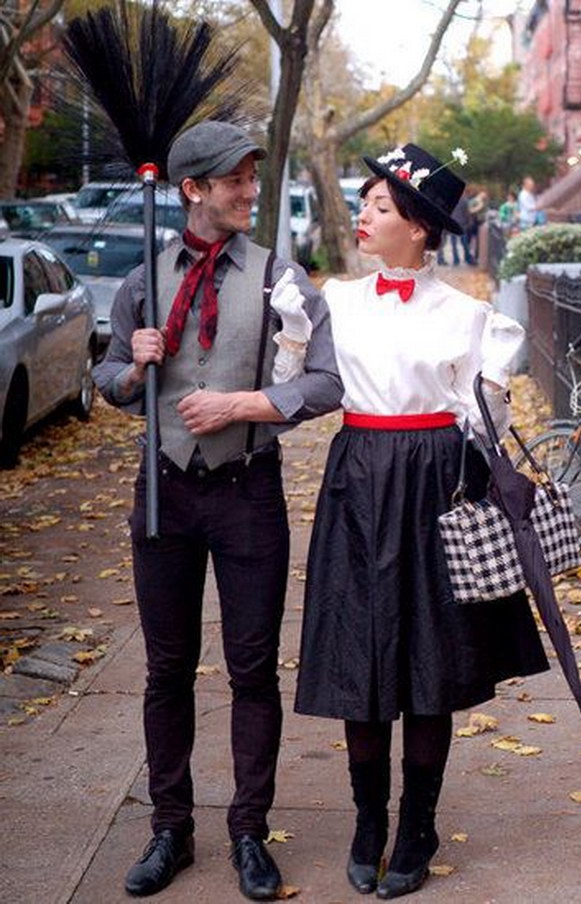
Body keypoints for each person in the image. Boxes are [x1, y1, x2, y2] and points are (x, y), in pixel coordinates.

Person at [93, 119, 343, 901]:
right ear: (192, 189)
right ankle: (171, 828)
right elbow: (105, 380)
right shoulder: (145, 278)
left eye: (251, 176)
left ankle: (248, 831)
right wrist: (132, 373)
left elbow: (328, 381)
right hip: (163, 493)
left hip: (247, 494)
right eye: (233, 179)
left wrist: (250, 401)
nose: (249, 191)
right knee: (166, 669)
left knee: (252, 670)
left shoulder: (283, 279)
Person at [294, 143, 549, 899]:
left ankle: (418, 824)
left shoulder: (469, 316)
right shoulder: (334, 299)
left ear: (417, 228)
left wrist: (490, 396)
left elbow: (484, 421)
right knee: (361, 654)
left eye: (378, 206)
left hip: (436, 482)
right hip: (359, 479)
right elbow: (296, 382)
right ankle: (368, 821)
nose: (363, 216)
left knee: (429, 660)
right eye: (366, 204)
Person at [449, 192, 475, 264]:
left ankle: (456, 260)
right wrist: (470, 222)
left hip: (452, 224)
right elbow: (467, 213)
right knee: (464, 243)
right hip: (462, 224)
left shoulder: (451, 200)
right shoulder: (464, 200)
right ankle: (467, 258)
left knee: (454, 244)